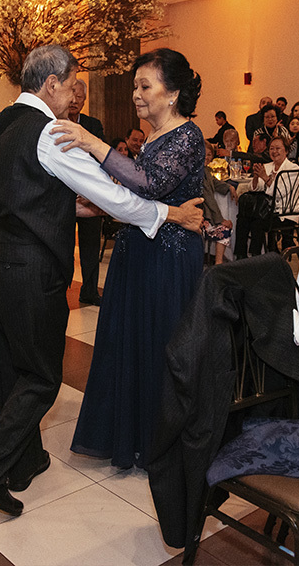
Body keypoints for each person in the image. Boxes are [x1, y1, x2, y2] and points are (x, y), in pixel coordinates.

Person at [0, 45, 204, 515]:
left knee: (7, 367)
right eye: (72, 86)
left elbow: (17, 192)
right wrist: (171, 214)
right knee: (41, 376)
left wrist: (71, 207)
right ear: (51, 84)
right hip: (30, 268)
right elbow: (113, 196)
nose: (76, 96)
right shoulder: (50, 133)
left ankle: (24, 460)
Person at [53, 48, 206, 470]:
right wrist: (103, 203)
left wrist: (92, 142)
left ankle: (159, 440)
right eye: (134, 86)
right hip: (137, 250)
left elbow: (149, 183)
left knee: (161, 346)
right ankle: (132, 437)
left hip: (169, 258)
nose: (136, 94)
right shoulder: (153, 136)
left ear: (172, 93)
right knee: (130, 344)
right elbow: (138, 196)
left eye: (144, 86)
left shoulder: (188, 136)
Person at [68, 79, 106, 306]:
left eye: (79, 97)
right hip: (64, 195)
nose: (74, 100)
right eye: (72, 94)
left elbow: (100, 158)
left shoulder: (93, 125)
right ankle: (60, 289)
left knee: (90, 246)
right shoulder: (55, 123)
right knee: (62, 246)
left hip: (89, 194)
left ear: (84, 101)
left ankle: (89, 290)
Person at [234, 137, 297, 259]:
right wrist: (256, 177)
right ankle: (241, 255)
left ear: (286, 150)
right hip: (266, 208)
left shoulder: (293, 168)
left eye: (278, 148)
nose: (274, 151)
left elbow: (280, 193)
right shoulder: (267, 166)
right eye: (272, 149)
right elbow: (255, 188)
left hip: (284, 211)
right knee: (242, 217)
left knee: (257, 220)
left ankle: (256, 256)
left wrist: (265, 177)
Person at [201, 140, 235, 265]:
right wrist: (220, 220)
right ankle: (218, 263)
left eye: (209, 154)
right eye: (204, 154)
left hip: (205, 216)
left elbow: (215, 183)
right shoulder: (199, 173)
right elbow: (208, 199)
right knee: (225, 228)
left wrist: (229, 187)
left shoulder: (206, 170)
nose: (206, 157)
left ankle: (218, 262)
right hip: (201, 217)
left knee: (225, 228)